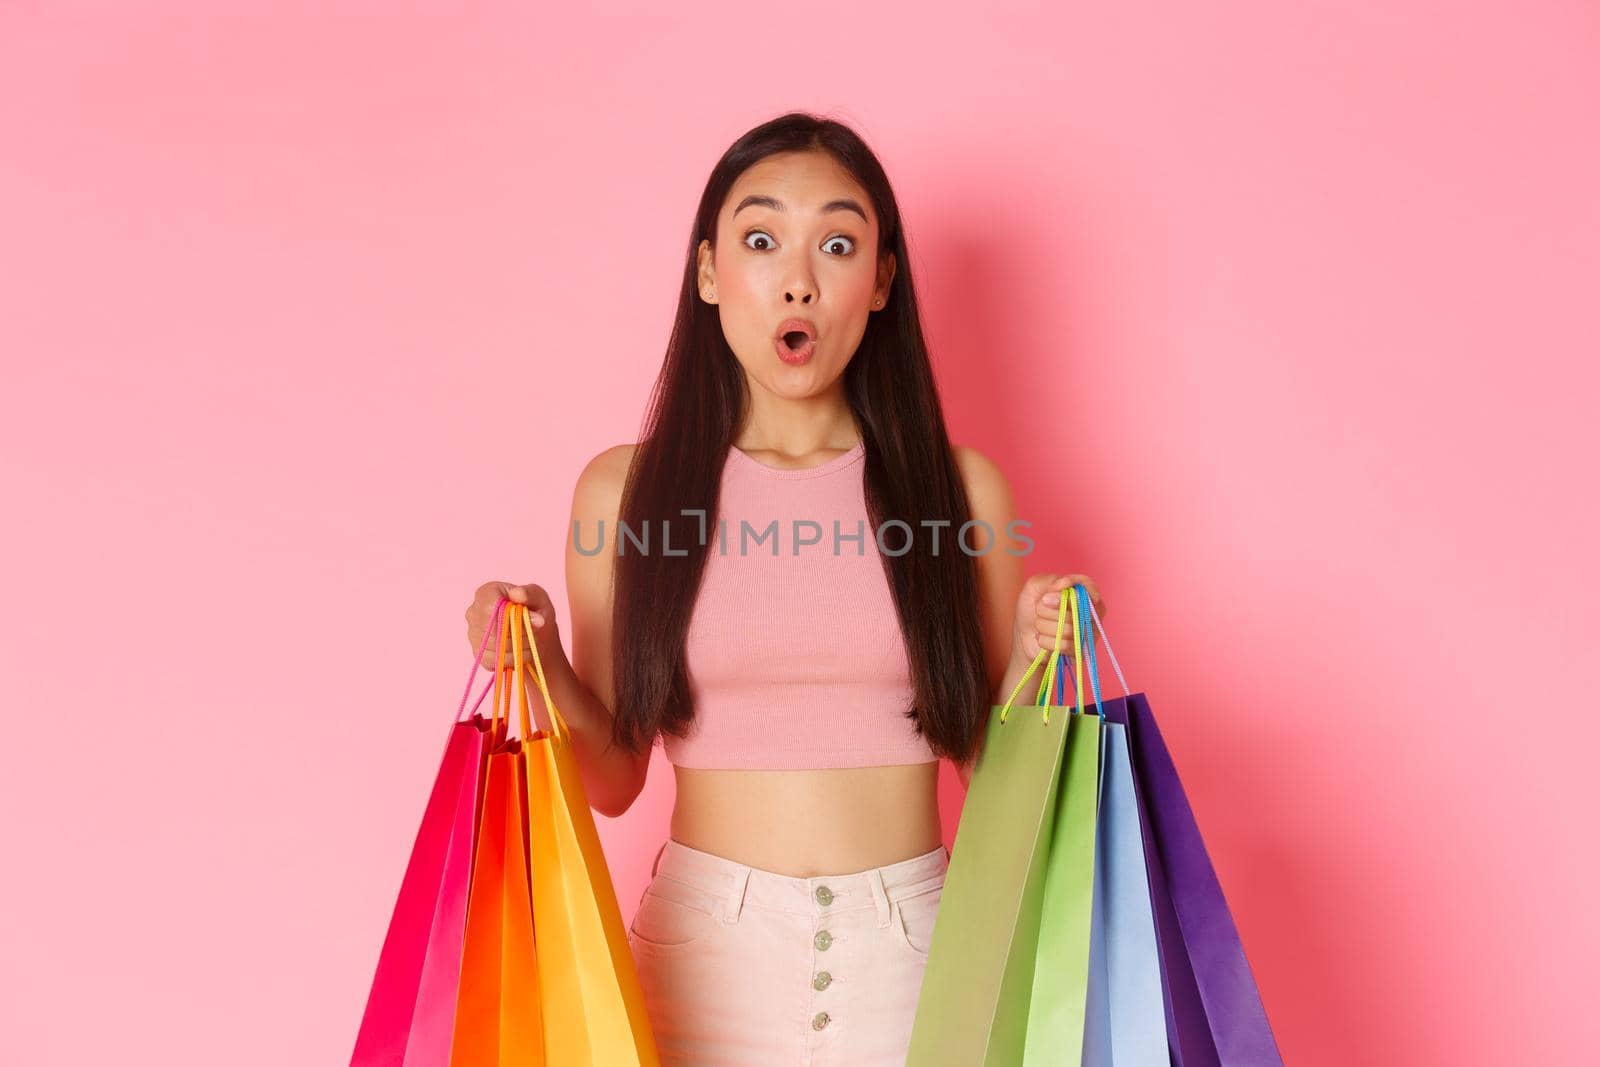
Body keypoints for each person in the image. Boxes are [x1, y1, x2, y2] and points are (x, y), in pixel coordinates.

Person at [463, 111, 1107, 1067]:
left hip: (920, 957)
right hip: (699, 961)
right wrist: (538, 653)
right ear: (711, 271)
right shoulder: (625, 494)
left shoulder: (960, 493)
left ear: (881, 279)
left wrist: (1026, 655)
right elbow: (614, 774)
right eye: (762, 240)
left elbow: (985, 769)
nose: (798, 276)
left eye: (838, 244)